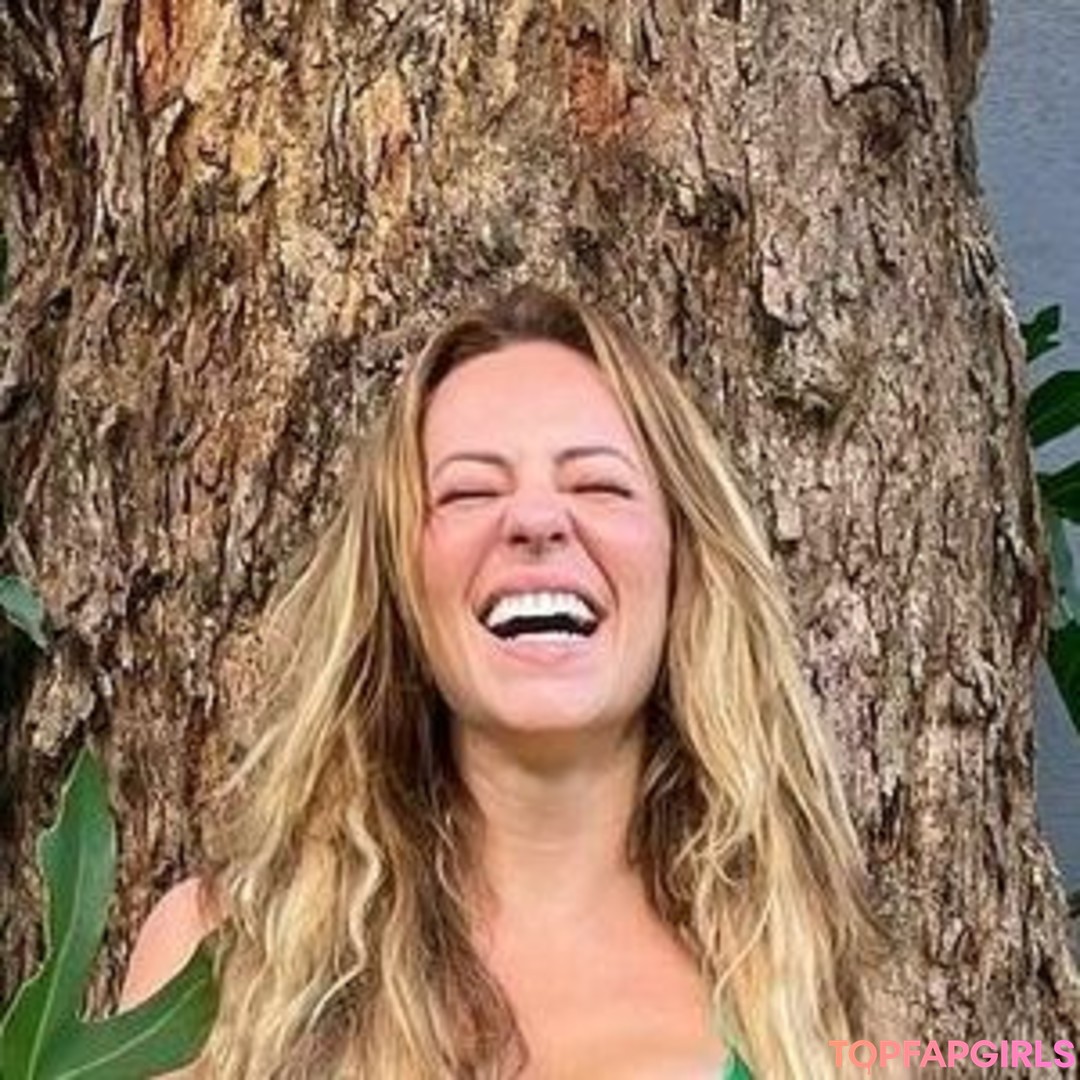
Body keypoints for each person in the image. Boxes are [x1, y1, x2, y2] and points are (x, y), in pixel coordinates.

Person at [122, 283, 883, 1078]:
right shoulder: (212, 968)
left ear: (683, 564)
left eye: (598, 484)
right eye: (470, 492)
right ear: (399, 586)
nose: (536, 521)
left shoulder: (807, 990)